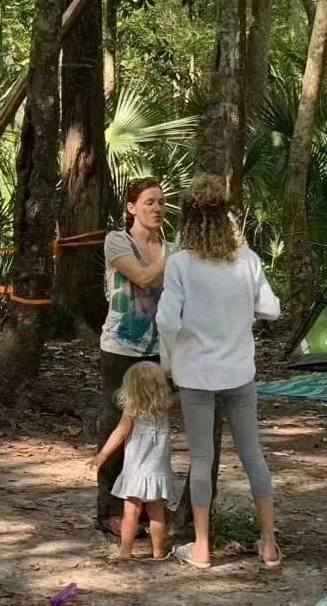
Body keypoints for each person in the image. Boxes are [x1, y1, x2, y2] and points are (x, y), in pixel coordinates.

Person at [156, 175, 281, 570]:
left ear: (187, 218)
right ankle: (269, 544)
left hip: (196, 374)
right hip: (239, 372)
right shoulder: (247, 260)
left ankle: (202, 548)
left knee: (201, 459)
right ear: (226, 216)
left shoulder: (180, 264)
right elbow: (272, 309)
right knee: (252, 455)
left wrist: (170, 357)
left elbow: (166, 320)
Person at [96, 177, 171, 538]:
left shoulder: (169, 248)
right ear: (131, 208)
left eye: (161, 202)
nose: (157, 208)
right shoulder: (117, 241)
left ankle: (143, 507)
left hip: (158, 351)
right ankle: (109, 510)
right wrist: (172, 260)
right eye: (149, 202)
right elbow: (141, 277)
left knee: (150, 430)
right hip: (120, 349)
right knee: (118, 424)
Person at [88, 361, 175, 561]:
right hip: (157, 471)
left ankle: (125, 552)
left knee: (131, 512)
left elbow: (120, 433)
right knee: (157, 514)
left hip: (135, 471)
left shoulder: (132, 410)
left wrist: (103, 454)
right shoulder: (164, 409)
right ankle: (158, 552)